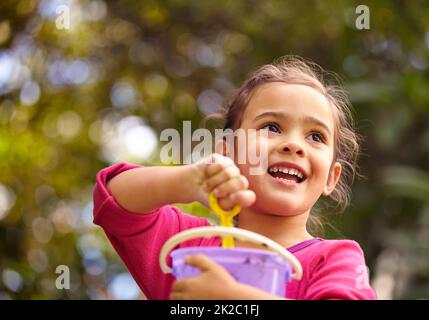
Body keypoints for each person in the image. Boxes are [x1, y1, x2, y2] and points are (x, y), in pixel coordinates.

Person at [93, 56, 377, 300]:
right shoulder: (190, 246)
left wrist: (234, 298)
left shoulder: (335, 261)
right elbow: (113, 197)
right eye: (272, 127)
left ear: (331, 177)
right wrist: (184, 182)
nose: (294, 145)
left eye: (315, 136)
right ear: (227, 152)